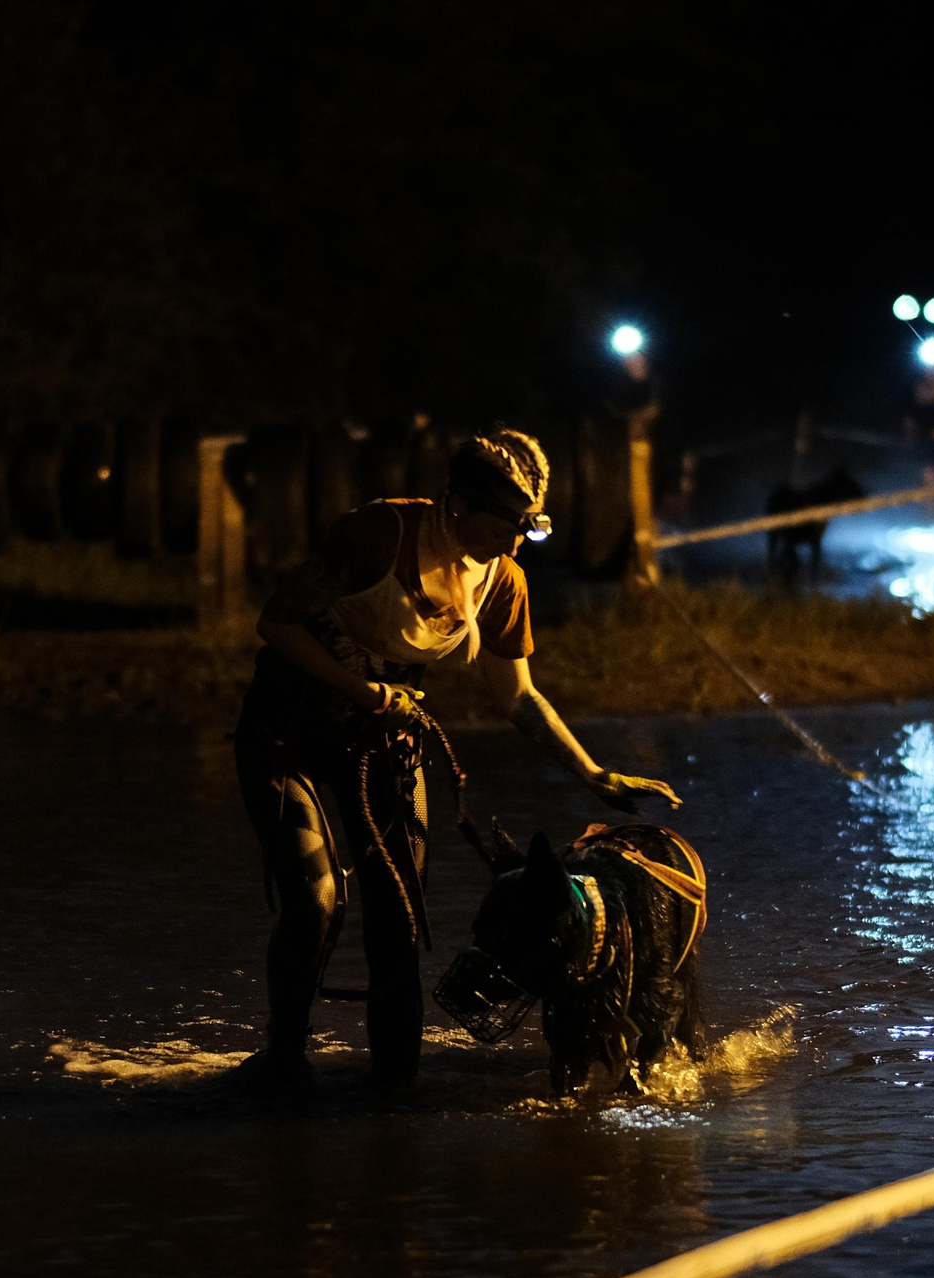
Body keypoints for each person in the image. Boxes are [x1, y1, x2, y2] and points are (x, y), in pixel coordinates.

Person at [232, 426, 681, 1090]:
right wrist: (368, 691)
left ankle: (393, 1101)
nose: (517, 541)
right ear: (459, 506)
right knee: (317, 901)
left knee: (399, 921)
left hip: (382, 738)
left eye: (528, 529)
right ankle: (283, 1065)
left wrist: (592, 771)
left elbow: (519, 696)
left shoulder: (503, 581)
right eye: (509, 525)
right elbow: (277, 622)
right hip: (287, 730)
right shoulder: (378, 535)